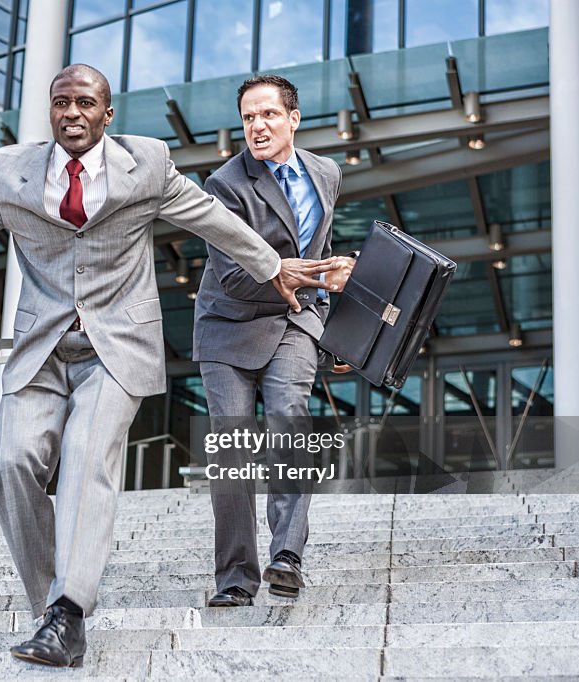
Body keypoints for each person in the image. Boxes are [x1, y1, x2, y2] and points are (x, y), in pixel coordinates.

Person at [0, 64, 338, 667]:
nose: (72, 113)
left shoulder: (149, 164)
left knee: (86, 459)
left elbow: (215, 221)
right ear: (50, 111)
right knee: (9, 468)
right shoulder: (10, 172)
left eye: (86, 103)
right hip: (42, 349)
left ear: (107, 114)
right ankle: (51, 605)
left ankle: (69, 612)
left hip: (117, 349)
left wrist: (273, 267)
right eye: (62, 103)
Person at [193, 75, 355, 606]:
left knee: (290, 416)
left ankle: (287, 554)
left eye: (267, 115)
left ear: (294, 118)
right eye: (247, 118)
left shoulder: (326, 173)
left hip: (294, 322)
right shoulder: (225, 185)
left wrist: (334, 321)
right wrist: (311, 275)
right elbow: (236, 275)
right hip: (229, 326)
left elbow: (320, 244)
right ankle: (236, 579)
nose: (256, 126)